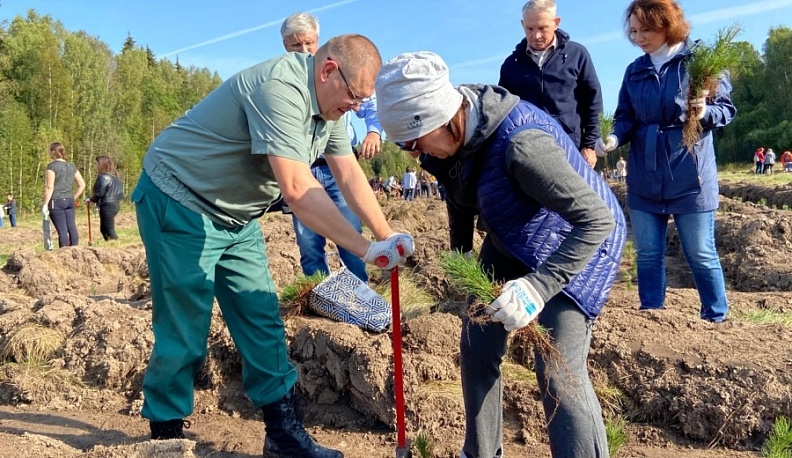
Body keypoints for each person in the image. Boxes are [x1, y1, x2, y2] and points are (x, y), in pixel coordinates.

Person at [130, 34, 413, 458]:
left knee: (261, 319)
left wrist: (385, 232)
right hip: (180, 198)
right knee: (185, 322)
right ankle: (166, 435)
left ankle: (282, 436)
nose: (356, 108)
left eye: (362, 101)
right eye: (355, 97)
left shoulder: (331, 108)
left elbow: (350, 174)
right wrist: (362, 247)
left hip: (236, 214)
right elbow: (299, 190)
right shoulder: (280, 90)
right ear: (328, 70)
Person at [377, 51, 625, 458]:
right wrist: (460, 266)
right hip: (513, 231)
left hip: (574, 240)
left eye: (413, 142)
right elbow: (460, 199)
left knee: (558, 371)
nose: (413, 154)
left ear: (439, 117)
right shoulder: (451, 143)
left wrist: (539, 286)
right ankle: (480, 453)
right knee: (477, 346)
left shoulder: (522, 145)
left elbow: (597, 221)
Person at [596, 0, 735, 323]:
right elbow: (625, 117)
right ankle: (652, 318)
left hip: (690, 173)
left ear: (667, 24)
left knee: (700, 253)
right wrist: (614, 138)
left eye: (646, 29)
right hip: (645, 175)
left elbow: (726, 110)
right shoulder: (635, 70)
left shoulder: (699, 62)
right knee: (648, 255)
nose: (639, 37)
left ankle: (715, 318)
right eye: (633, 31)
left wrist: (704, 112)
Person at [281, 12, 384, 282]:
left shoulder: (341, 75)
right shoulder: (285, 87)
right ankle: (320, 297)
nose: (303, 50)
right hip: (303, 170)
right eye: (295, 45)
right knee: (308, 244)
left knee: (351, 234)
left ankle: (360, 296)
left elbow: (369, 105)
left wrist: (374, 132)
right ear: (285, 46)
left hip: (338, 168)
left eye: (308, 44)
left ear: (318, 43)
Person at [499, 0, 604, 169]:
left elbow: (593, 101)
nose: (536, 35)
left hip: (571, 150)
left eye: (542, 28)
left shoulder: (577, 55)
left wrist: (590, 145)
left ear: (556, 23)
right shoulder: (511, 65)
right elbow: (502, 112)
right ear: (522, 25)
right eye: (530, 29)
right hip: (528, 153)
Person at [43, 142, 86, 248]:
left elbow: (50, 186)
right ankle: (75, 251)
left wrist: (45, 204)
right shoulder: (71, 166)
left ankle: (64, 255)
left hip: (56, 201)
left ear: (53, 151)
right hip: (69, 200)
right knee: (72, 228)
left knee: (62, 230)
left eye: (50, 151)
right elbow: (82, 184)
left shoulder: (52, 166)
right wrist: (73, 197)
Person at [87, 155, 124, 241]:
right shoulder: (116, 177)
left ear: (101, 164)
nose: (95, 166)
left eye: (96, 164)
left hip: (108, 205)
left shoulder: (103, 177)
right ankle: (109, 244)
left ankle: (115, 245)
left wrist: (91, 199)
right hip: (114, 204)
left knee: (109, 230)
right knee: (104, 229)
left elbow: (99, 193)